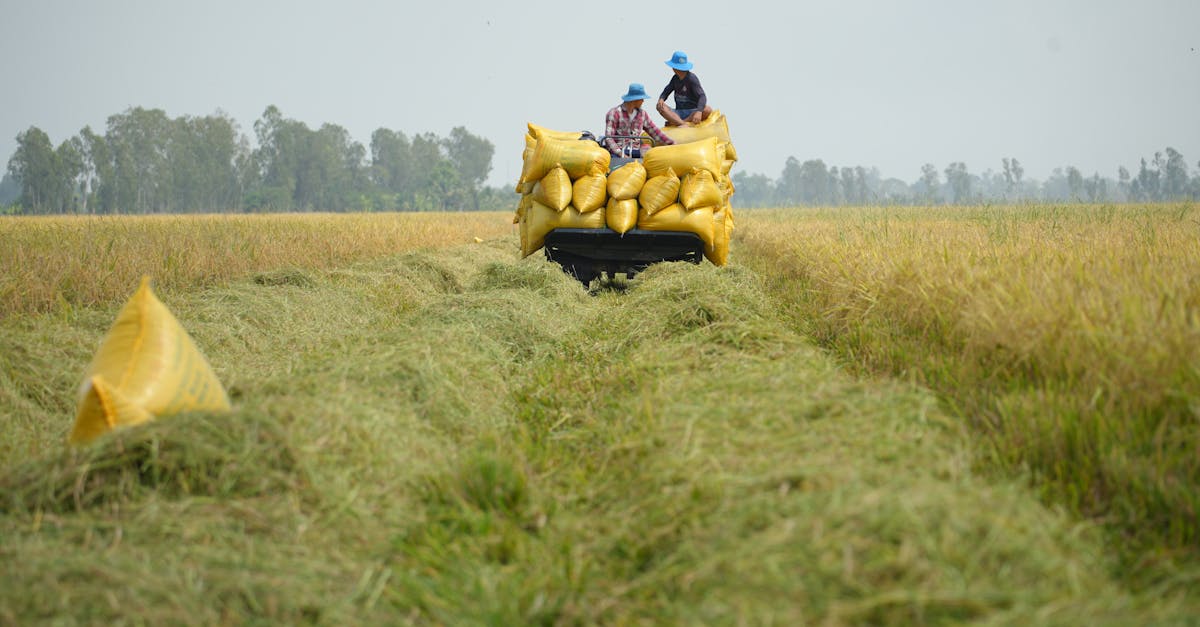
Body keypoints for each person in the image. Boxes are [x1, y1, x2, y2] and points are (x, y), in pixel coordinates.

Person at [604, 83, 675, 158]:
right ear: (635, 100)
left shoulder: (642, 114)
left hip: (636, 150)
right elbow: (609, 138)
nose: (643, 101)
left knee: (650, 153)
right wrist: (621, 154)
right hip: (618, 151)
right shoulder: (614, 113)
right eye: (641, 99)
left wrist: (671, 143)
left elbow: (655, 132)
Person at [656, 50, 713, 126]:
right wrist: (661, 99)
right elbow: (666, 91)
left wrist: (699, 112)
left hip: (692, 112)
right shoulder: (675, 78)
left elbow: (702, 96)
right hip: (678, 112)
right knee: (660, 106)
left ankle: (679, 122)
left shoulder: (692, 78)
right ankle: (680, 123)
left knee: (707, 109)